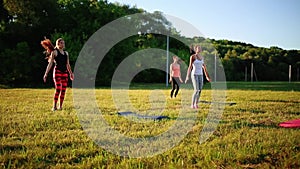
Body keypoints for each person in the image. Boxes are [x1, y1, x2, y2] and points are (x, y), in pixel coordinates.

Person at [41, 38, 74, 111]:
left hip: (65, 73)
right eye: (61, 43)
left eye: (63, 43)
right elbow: (50, 63)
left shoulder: (66, 53)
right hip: (57, 72)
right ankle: (54, 106)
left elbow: (68, 64)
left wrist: (71, 74)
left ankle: (60, 106)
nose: (63, 44)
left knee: (63, 90)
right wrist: (46, 73)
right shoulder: (55, 52)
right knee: (58, 89)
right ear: (58, 44)